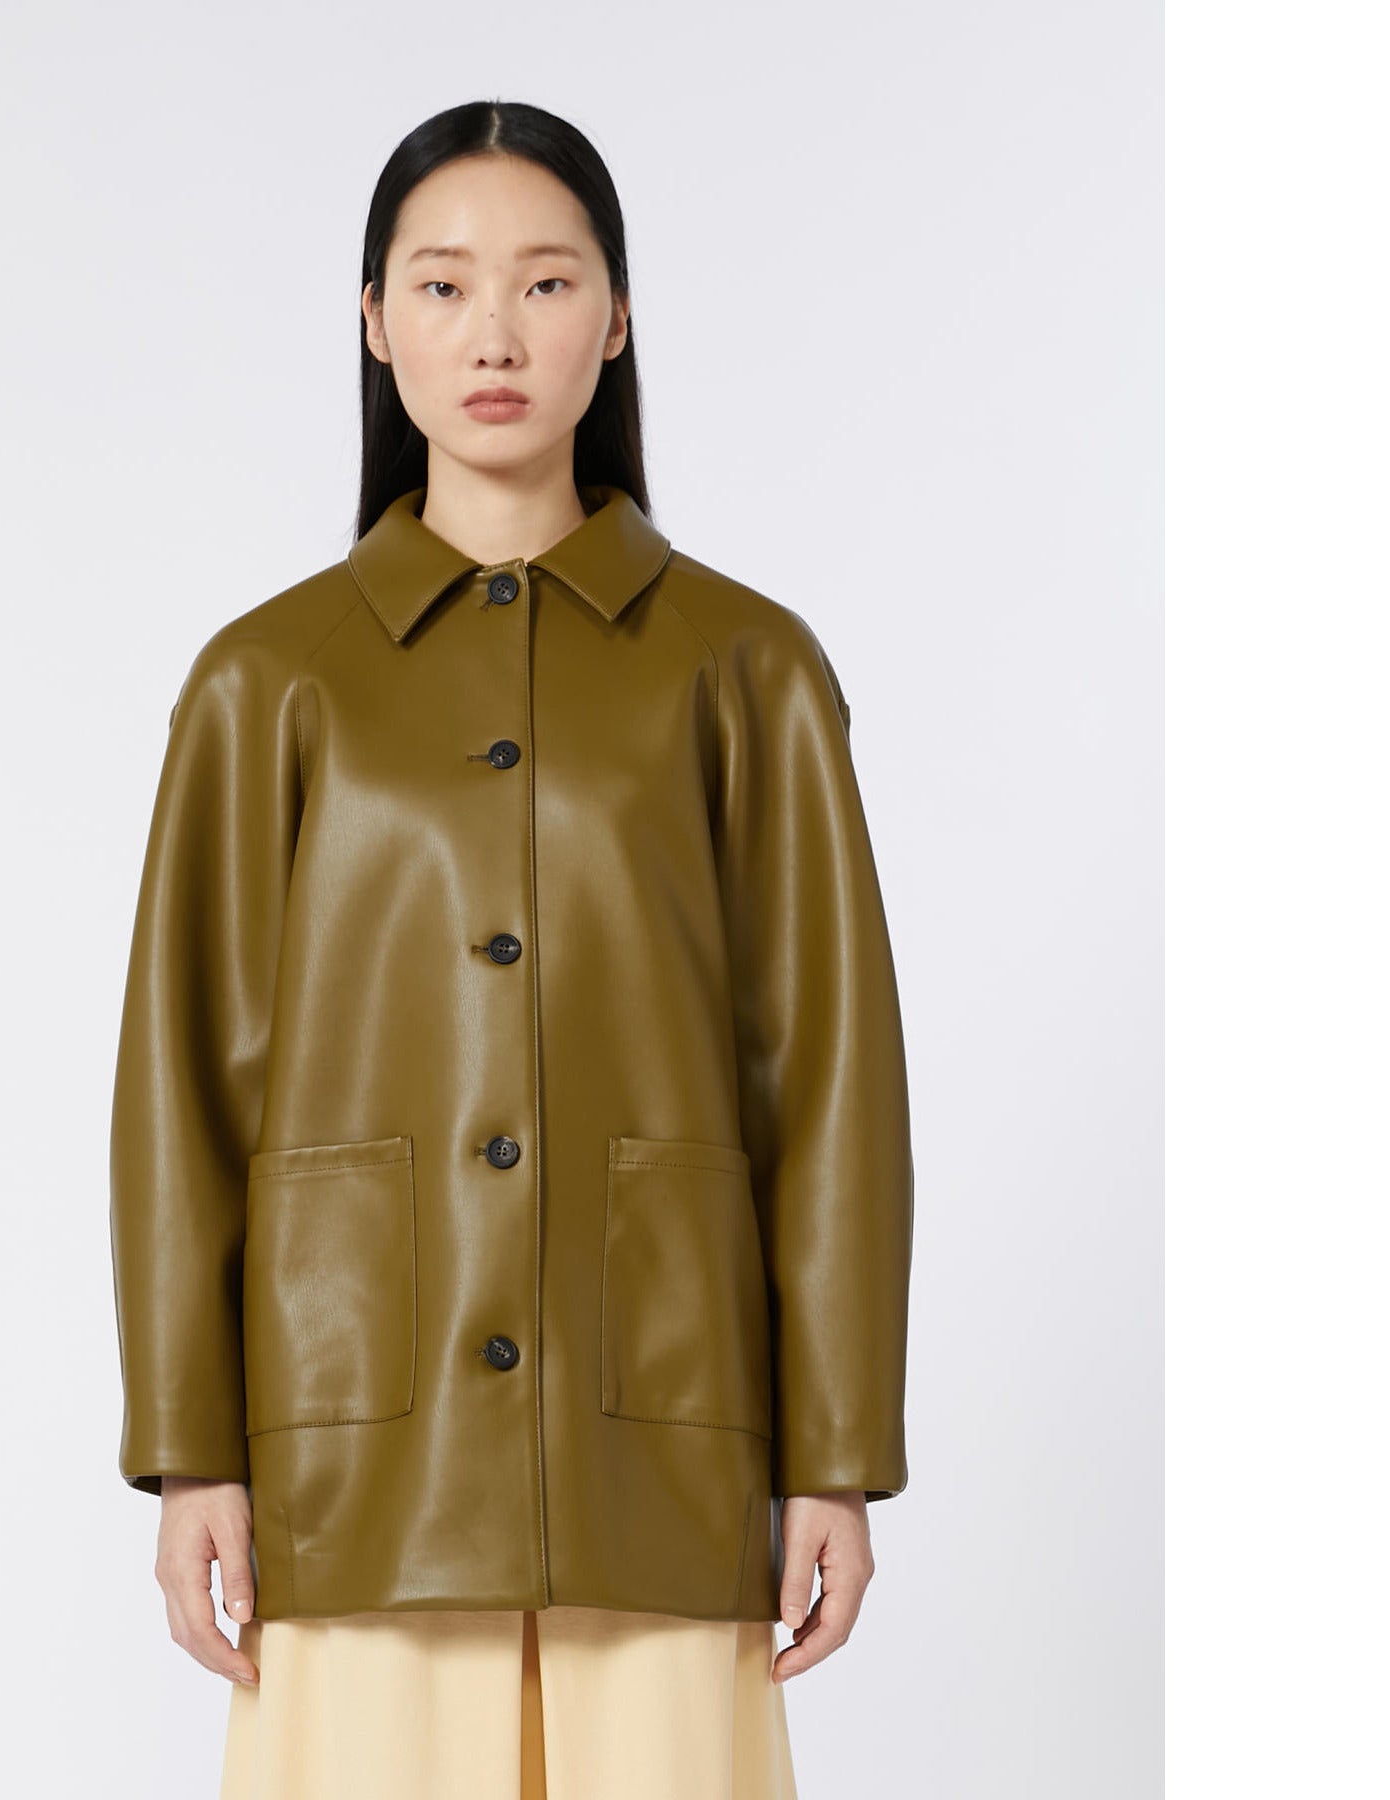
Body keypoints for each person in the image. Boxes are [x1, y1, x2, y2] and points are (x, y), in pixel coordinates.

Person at [109, 98, 915, 1800]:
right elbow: (185, 1085)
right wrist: (192, 1450)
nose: (495, 333)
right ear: (373, 318)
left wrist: (833, 1454)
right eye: (443, 283)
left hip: (663, 1437)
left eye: (547, 283)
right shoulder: (268, 682)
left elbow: (830, 1076)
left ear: (615, 320)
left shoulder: (747, 670)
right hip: (356, 1446)